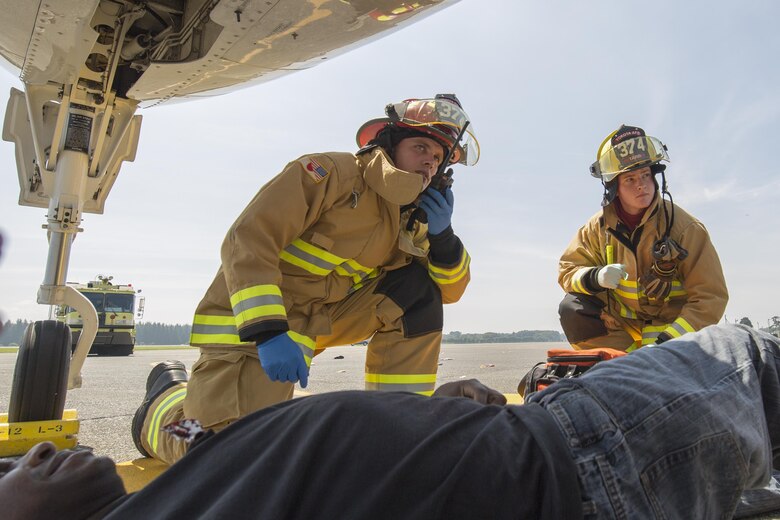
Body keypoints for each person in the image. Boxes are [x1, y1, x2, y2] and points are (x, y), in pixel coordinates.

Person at [5, 324, 780, 519]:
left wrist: (432, 425)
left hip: (561, 453)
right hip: (581, 457)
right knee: (760, 350)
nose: (28, 453)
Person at [132, 94, 481, 464]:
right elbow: (249, 238)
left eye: (439, 157)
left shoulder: (413, 217)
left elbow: (449, 291)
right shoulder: (330, 174)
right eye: (421, 146)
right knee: (219, 453)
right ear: (391, 144)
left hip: (318, 321)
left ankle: (394, 432)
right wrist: (266, 330)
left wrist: (444, 239)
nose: (429, 160)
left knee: (417, 290)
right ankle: (161, 409)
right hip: (258, 326)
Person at [558, 124, 728, 351]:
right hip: (621, 327)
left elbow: (710, 298)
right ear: (613, 187)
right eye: (630, 179)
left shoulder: (686, 228)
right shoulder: (595, 228)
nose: (641, 185)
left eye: (646, 175)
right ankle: (618, 365)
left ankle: (651, 363)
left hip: (673, 329)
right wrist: (595, 277)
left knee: (663, 374)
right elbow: (568, 270)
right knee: (572, 308)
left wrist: (665, 343)